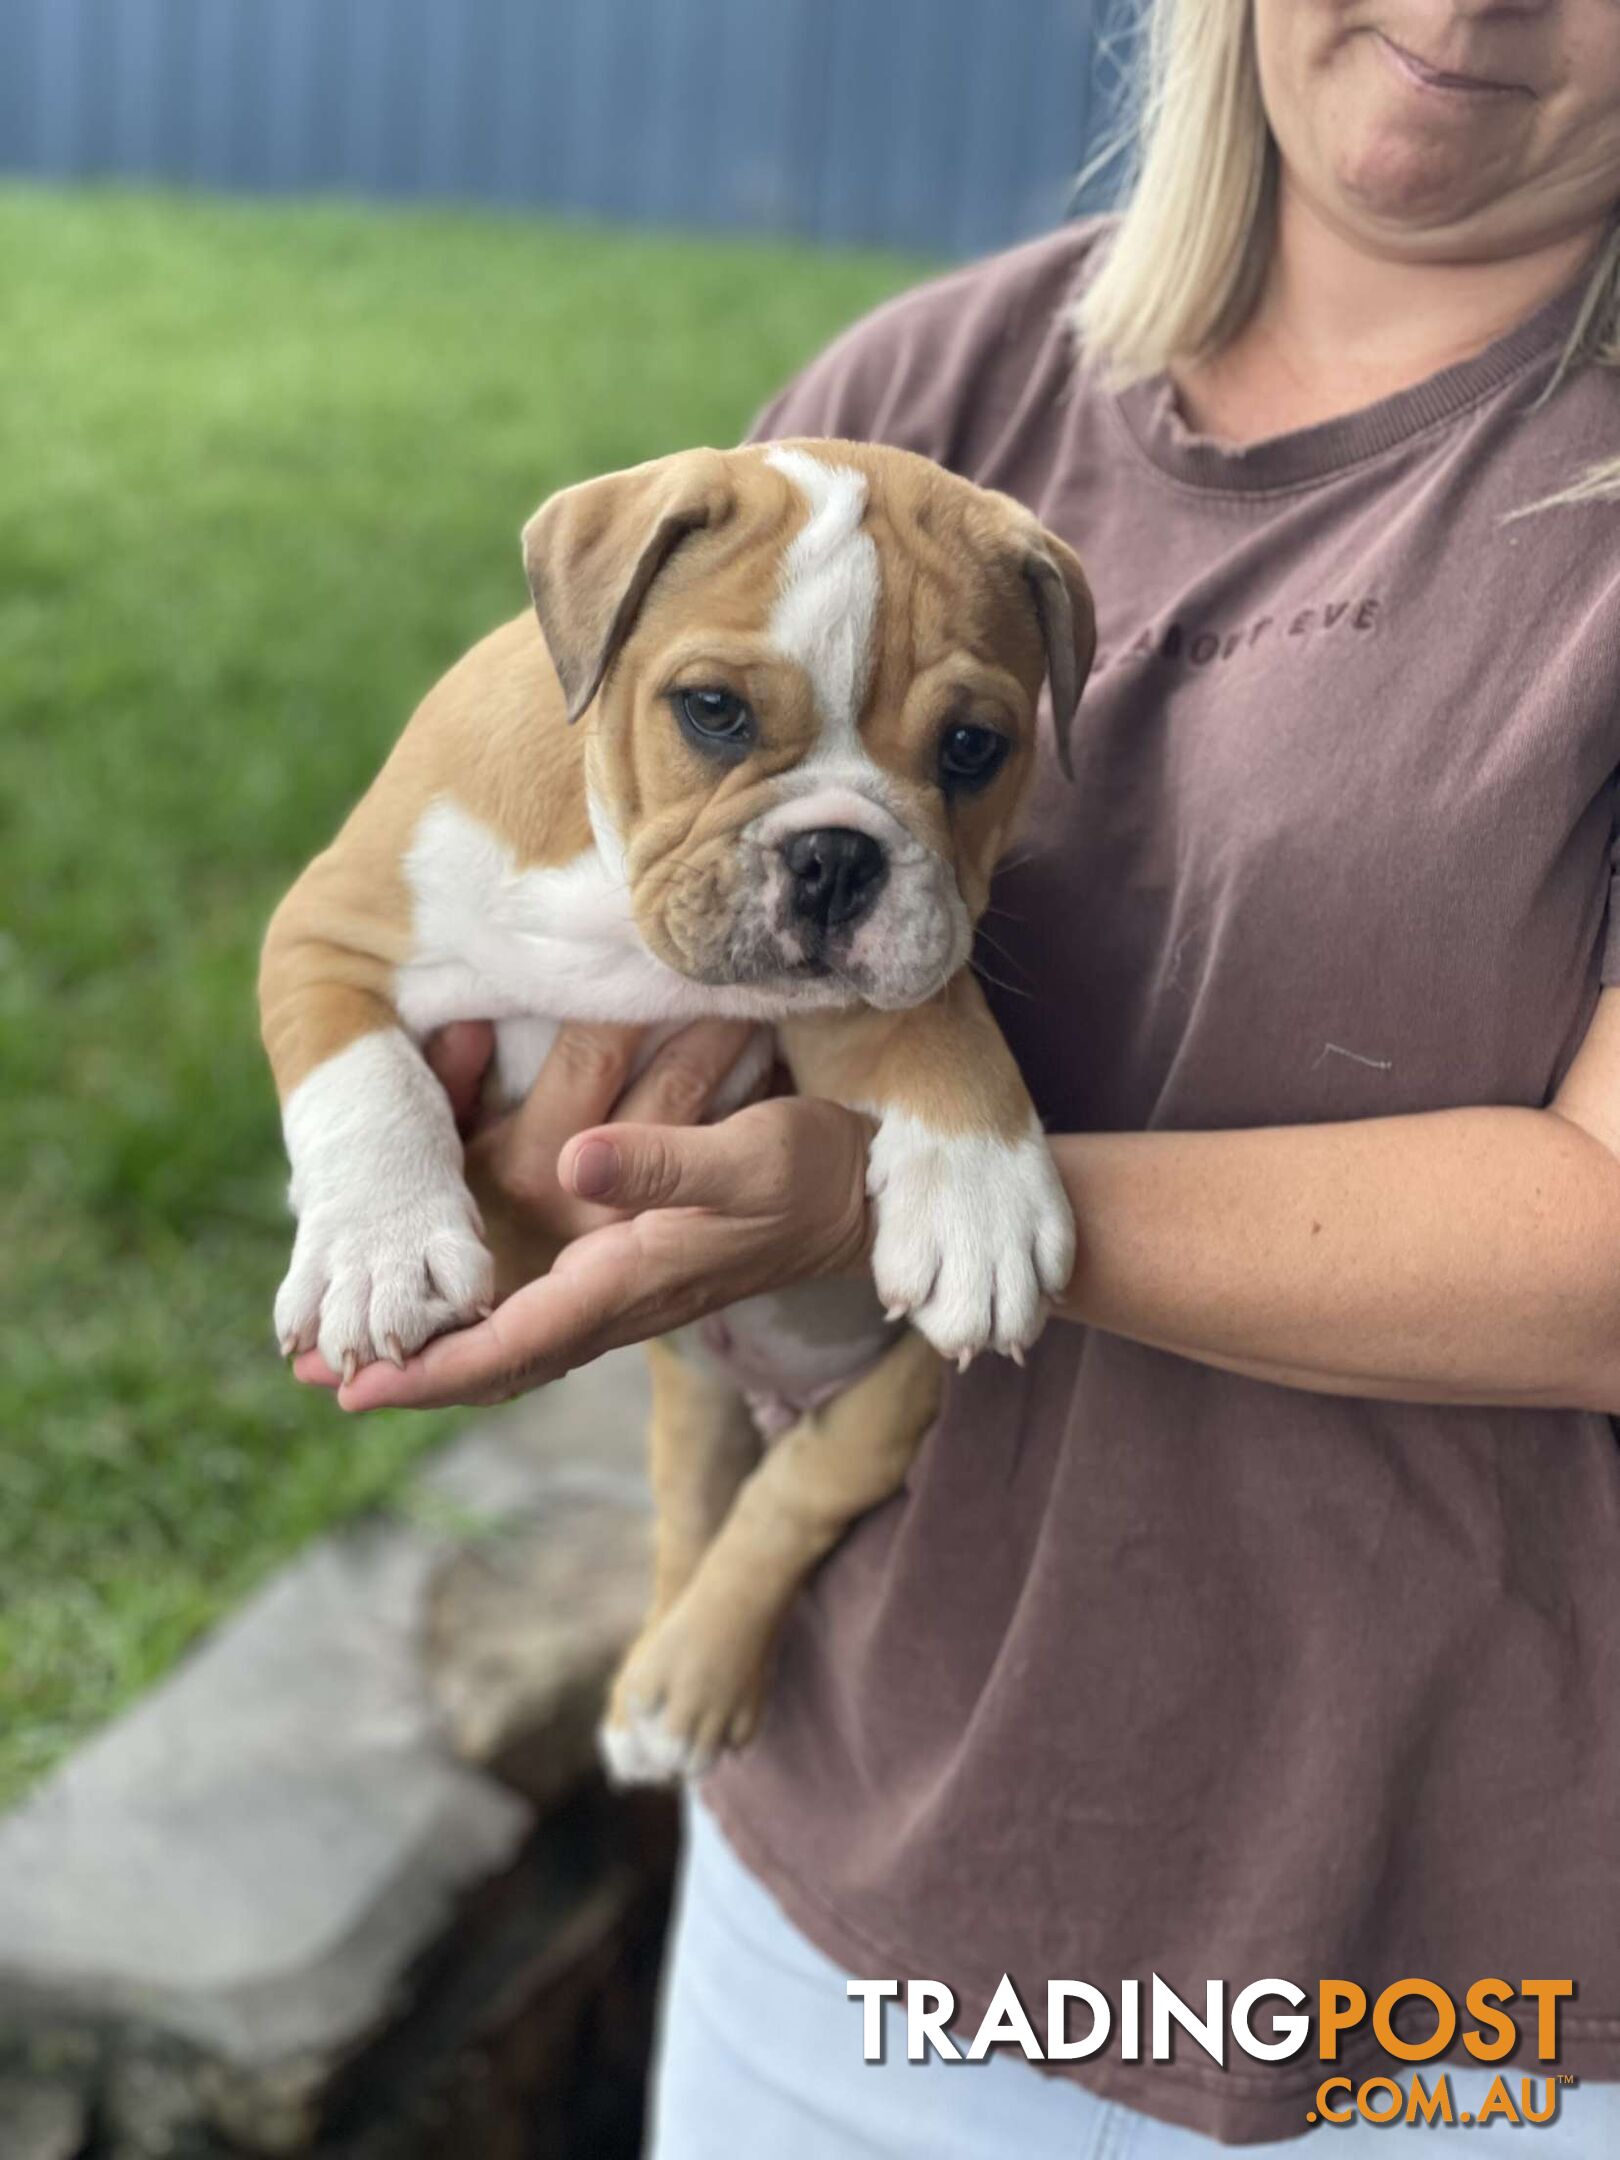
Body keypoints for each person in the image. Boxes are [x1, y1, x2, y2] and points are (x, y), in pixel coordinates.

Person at [298, 1, 1620, 2148]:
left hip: (1461, 1978)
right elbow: (631, 948)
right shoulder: (919, 397)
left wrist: (905, 1189)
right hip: (852, 1851)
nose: (1474, 8)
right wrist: (515, 1142)